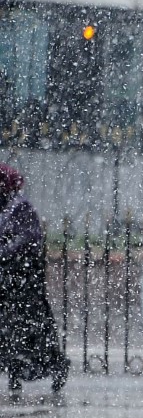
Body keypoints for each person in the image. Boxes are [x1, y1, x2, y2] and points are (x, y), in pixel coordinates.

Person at [0, 163, 69, 399]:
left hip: (24, 280)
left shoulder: (21, 208)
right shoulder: (6, 207)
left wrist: (6, 251)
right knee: (9, 328)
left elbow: (28, 239)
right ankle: (13, 366)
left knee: (29, 328)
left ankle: (51, 365)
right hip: (8, 280)